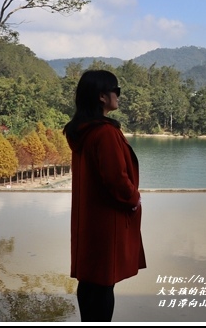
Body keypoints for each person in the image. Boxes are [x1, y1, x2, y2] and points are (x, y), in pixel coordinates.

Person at [64, 69, 146, 322]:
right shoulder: (105, 133)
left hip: (88, 220)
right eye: (116, 91)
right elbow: (115, 177)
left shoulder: (81, 132)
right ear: (102, 96)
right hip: (106, 220)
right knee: (104, 283)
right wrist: (134, 198)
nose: (118, 96)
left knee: (90, 280)